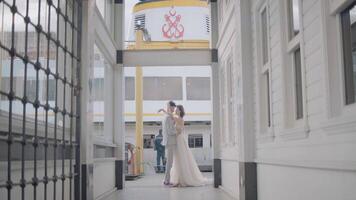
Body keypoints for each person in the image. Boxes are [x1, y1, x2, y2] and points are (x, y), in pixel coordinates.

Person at [159, 105, 209, 187]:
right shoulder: (177, 118)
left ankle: (183, 178)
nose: (176, 110)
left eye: (178, 109)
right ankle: (178, 178)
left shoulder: (179, 119)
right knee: (177, 159)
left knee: (181, 158)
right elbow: (171, 118)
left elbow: (171, 117)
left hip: (179, 140)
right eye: (176, 109)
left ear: (181, 111)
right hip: (177, 139)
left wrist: (163, 110)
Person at [160, 101, 177, 186]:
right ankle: (166, 180)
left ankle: (167, 179)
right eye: (173, 107)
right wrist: (177, 131)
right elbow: (170, 131)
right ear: (170, 107)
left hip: (168, 142)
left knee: (169, 162)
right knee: (169, 162)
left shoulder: (165, 117)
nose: (174, 109)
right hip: (170, 142)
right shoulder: (168, 118)